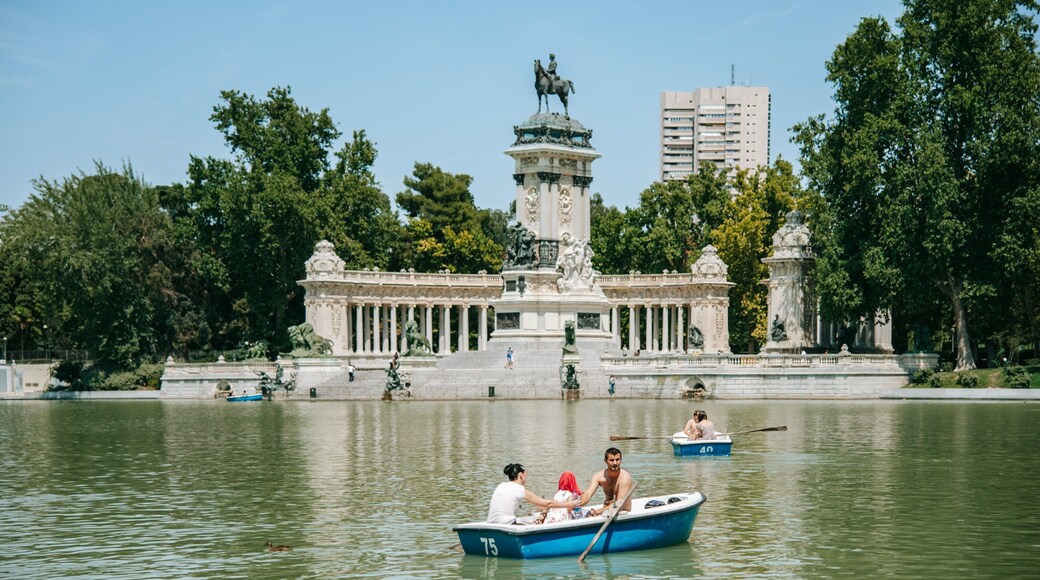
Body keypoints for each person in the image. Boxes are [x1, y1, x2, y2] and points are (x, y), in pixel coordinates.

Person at [488, 463, 580, 524]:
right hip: (506, 525)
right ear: (521, 475)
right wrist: (568, 504)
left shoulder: (500, 486)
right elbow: (548, 504)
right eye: (525, 475)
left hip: (491, 525)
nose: (526, 478)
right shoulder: (519, 489)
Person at [578, 447, 636, 516]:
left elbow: (619, 504)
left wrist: (595, 512)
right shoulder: (598, 476)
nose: (615, 463)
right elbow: (588, 494)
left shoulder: (625, 477)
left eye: (617, 460)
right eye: (611, 460)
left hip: (622, 512)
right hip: (605, 512)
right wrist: (577, 505)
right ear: (605, 461)